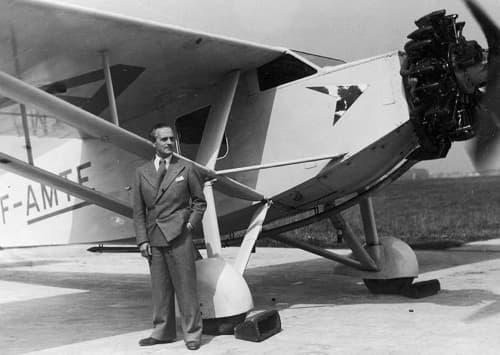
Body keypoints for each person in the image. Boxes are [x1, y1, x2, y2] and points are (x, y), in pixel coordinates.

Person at [133, 124, 206, 351]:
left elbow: (199, 202)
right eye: (163, 139)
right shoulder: (141, 172)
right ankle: (162, 333)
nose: (168, 143)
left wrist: (190, 224)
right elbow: (138, 210)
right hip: (154, 237)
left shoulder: (185, 168)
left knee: (186, 288)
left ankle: (192, 334)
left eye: (171, 139)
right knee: (160, 289)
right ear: (153, 142)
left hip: (179, 236)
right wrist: (142, 240)